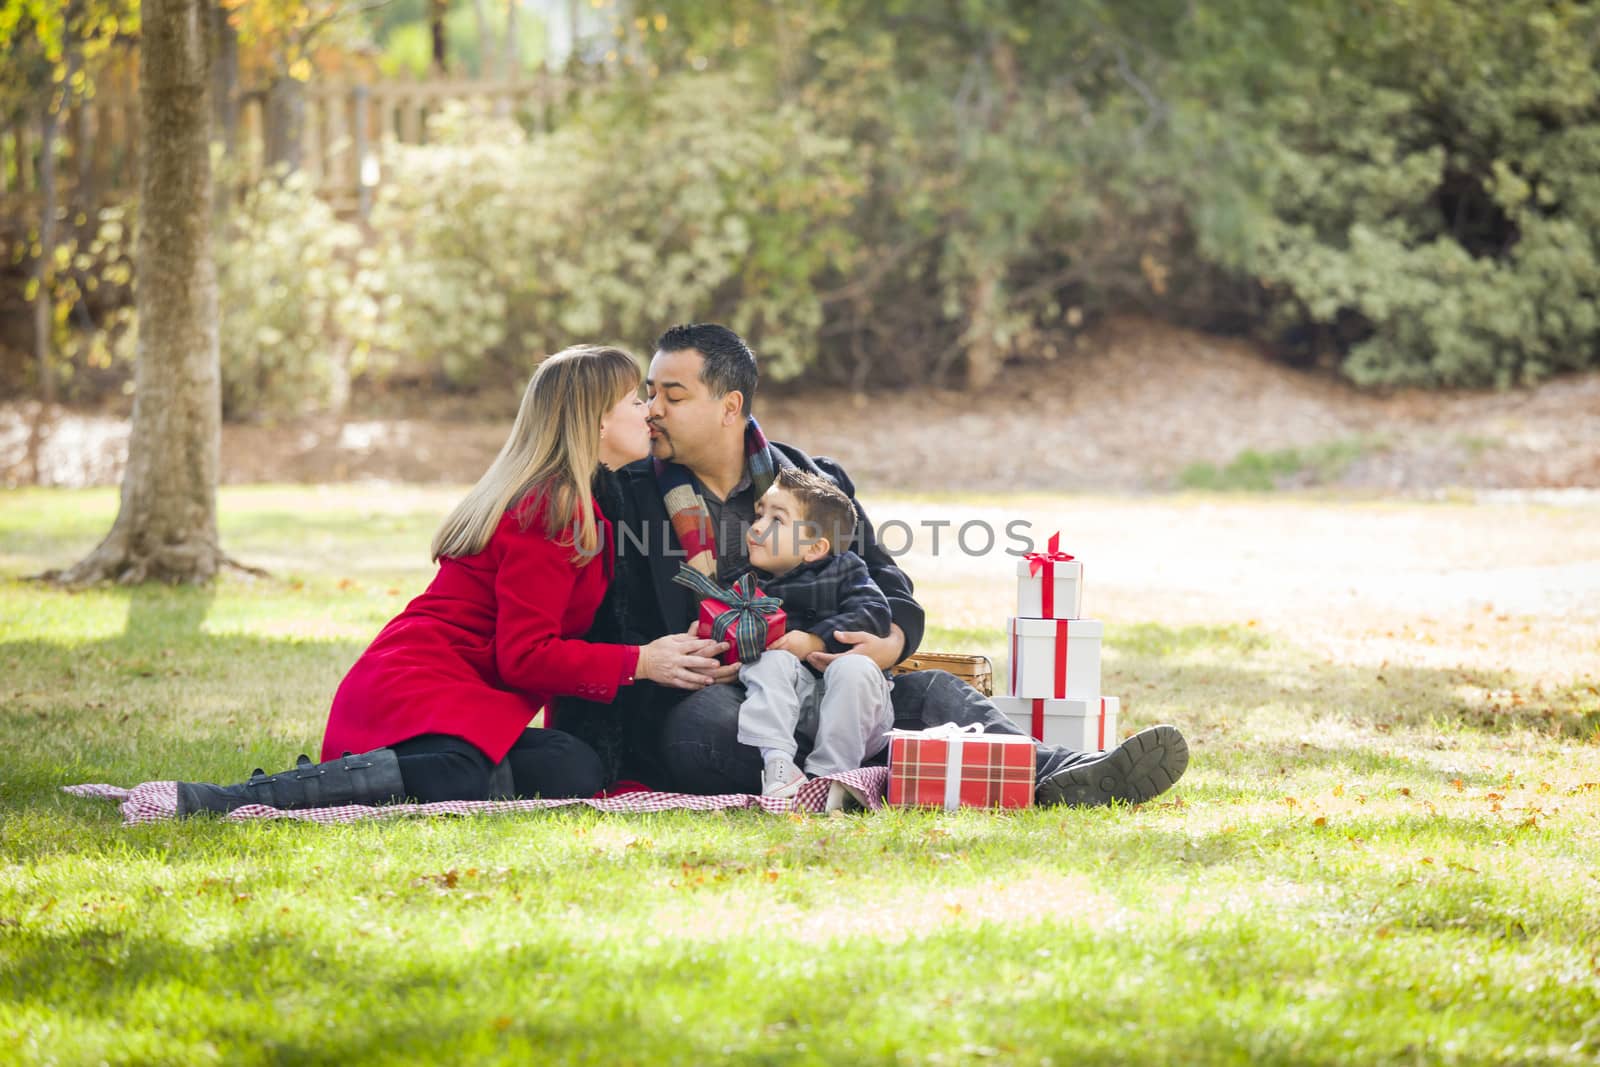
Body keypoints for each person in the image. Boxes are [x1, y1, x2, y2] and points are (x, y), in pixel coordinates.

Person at [558, 324, 1190, 806]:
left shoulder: (811, 480)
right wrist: (666, 659)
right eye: (649, 395)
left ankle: (1059, 773)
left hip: (829, 684)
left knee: (937, 691)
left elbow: (889, 589)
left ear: (730, 406)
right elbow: (600, 627)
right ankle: (868, 773)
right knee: (717, 724)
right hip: (710, 704)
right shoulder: (626, 493)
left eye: (672, 394)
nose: (653, 410)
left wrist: (887, 642)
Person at [174, 345, 727, 816]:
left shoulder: (578, 501)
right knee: (465, 771)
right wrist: (640, 662)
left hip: (458, 701)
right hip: (417, 692)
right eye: (636, 400)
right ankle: (259, 794)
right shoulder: (551, 508)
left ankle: (420, 773)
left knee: (572, 764)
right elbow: (525, 656)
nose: (649, 412)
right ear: (598, 422)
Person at [704, 467, 896, 800]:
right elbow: (726, 623)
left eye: (777, 520)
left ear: (814, 548)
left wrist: (815, 640)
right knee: (769, 661)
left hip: (859, 709)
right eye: (759, 514)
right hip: (796, 706)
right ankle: (779, 765)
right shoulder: (746, 581)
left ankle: (831, 776)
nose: (758, 526)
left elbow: (874, 612)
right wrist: (714, 631)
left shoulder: (844, 570)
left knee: (853, 668)